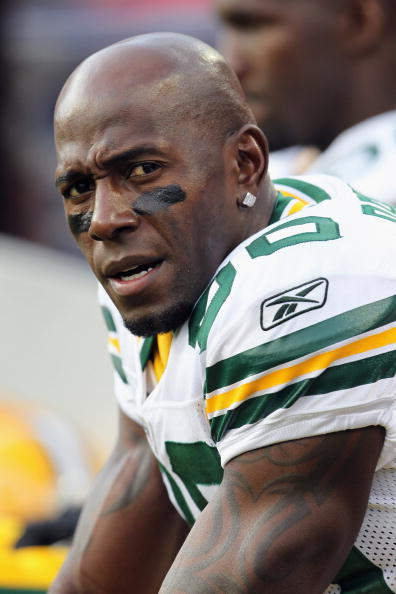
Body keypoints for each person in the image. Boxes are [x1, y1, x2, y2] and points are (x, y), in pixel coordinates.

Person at [51, 32, 395, 593]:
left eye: (141, 170)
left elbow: (253, 569)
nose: (105, 219)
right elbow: (138, 493)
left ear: (244, 163)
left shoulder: (318, 277)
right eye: (79, 187)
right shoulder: (157, 276)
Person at [215, 0, 396, 204]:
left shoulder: (377, 201)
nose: (232, 65)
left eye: (252, 26)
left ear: (359, 21)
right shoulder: (273, 172)